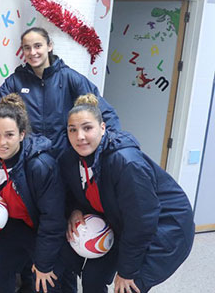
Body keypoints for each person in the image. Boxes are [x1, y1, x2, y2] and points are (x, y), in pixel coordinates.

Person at [59, 94, 195, 293]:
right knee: (93, 277)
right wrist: (75, 210)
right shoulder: (70, 159)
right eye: (72, 130)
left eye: (87, 128)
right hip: (123, 224)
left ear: (103, 128)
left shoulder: (126, 162)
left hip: (166, 228)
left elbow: (142, 221)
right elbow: (77, 192)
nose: (79, 136)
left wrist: (127, 271)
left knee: (130, 287)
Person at [0, 94, 66, 293]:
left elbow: (53, 220)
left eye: (9, 135)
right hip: (10, 228)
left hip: (41, 230)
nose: (1, 142)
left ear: (22, 135)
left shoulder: (41, 166)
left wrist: (44, 264)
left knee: (47, 281)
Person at [0, 27, 120, 158]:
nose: (33, 52)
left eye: (38, 46)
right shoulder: (15, 82)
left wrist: (111, 149)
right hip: (30, 161)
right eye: (27, 48)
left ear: (49, 46)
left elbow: (103, 111)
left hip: (66, 160)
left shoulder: (69, 77)